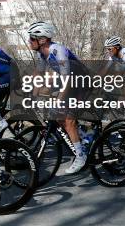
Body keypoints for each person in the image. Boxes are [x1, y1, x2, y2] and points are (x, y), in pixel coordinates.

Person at [27, 21, 88, 174]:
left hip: (81, 83)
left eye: (32, 38)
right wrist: (31, 95)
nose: (29, 41)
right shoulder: (43, 53)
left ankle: (81, 156)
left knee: (68, 120)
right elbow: (39, 75)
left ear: (42, 40)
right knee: (59, 116)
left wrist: (58, 102)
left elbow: (66, 79)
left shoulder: (58, 51)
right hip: (70, 82)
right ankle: (83, 137)